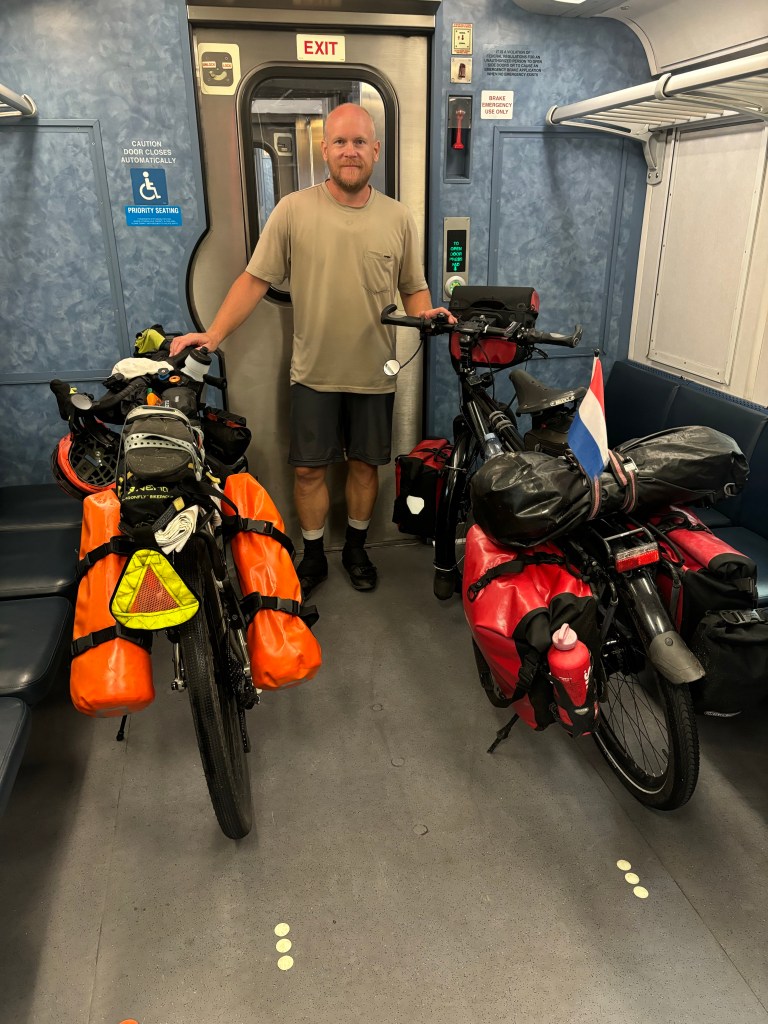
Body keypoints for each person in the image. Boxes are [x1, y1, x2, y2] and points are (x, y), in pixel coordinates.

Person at [170, 102, 454, 598]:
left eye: (359, 142)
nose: (350, 151)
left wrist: (428, 315)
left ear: (376, 150)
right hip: (312, 373)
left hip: (374, 373)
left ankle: (358, 549)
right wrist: (212, 335)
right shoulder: (293, 210)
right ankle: (315, 554)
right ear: (325, 150)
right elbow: (255, 280)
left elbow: (414, 288)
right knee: (308, 471)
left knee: (365, 467)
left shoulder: (397, 217)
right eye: (340, 142)